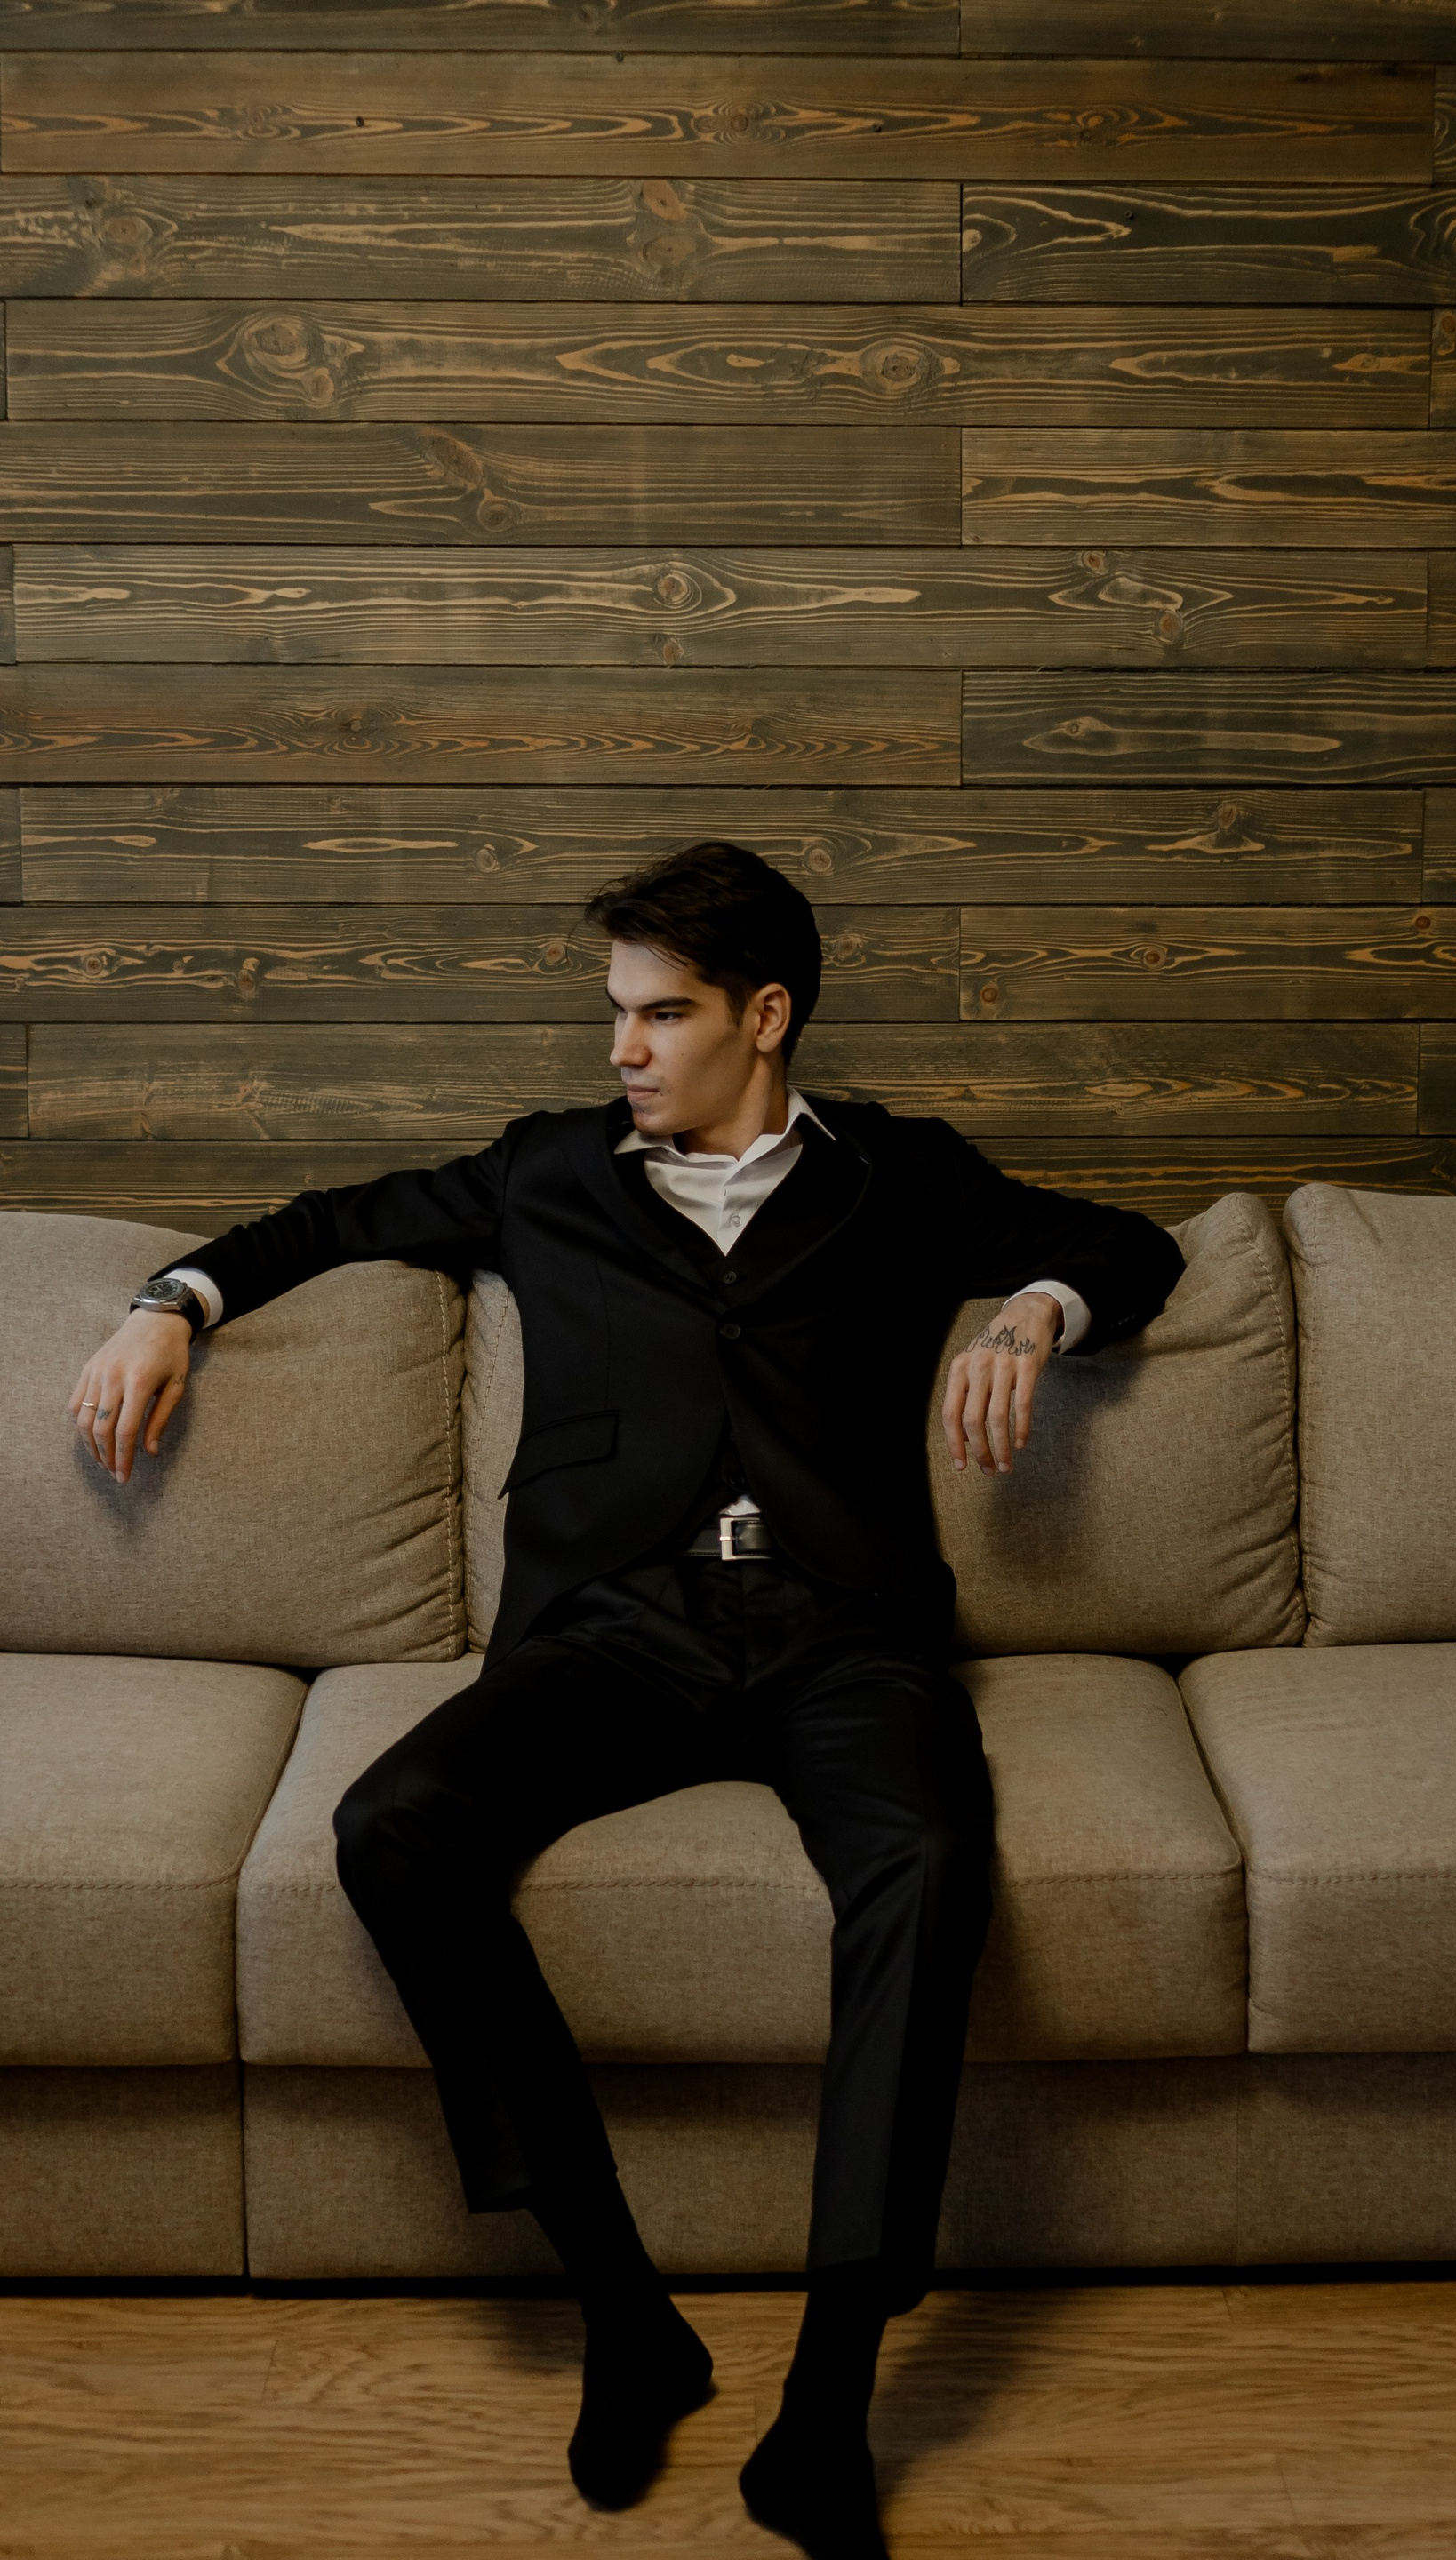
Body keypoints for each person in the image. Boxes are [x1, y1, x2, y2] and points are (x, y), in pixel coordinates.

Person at [69, 842, 1184, 2560]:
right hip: (615, 1629)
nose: (623, 1047)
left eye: (661, 1014)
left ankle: (829, 2398)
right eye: (616, 1012)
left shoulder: (901, 1175)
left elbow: (1128, 1247)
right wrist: (170, 1306)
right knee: (395, 1826)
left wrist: (1035, 1311)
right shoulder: (547, 1174)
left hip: (844, 1630)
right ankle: (624, 2314)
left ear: (766, 1015)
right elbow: (330, 1221)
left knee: (929, 1862)